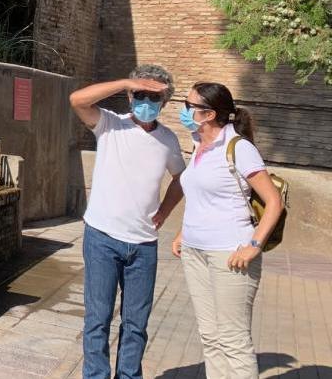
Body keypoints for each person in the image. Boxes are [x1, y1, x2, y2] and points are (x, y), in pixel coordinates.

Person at [69, 64, 185, 379]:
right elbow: (78, 100)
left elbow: (180, 178)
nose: (146, 101)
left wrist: (165, 210)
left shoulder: (168, 140)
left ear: (165, 102)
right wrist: (124, 81)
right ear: (131, 96)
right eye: (140, 94)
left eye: (154, 96)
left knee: (136, 324)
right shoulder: (110, 124)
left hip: (144, 245)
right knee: (98, 319)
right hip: (102, 239)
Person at [170, 82, 283, 379]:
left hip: (230, 254)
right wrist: (184, 232)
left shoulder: (239, 148)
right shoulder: (198, 144)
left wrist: (254, 244)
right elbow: (200, 196)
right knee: (210, 336)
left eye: (188, 105)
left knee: (233, 340)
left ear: (208, 114)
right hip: (194, 251)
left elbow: (274, 202)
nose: (184, 110)